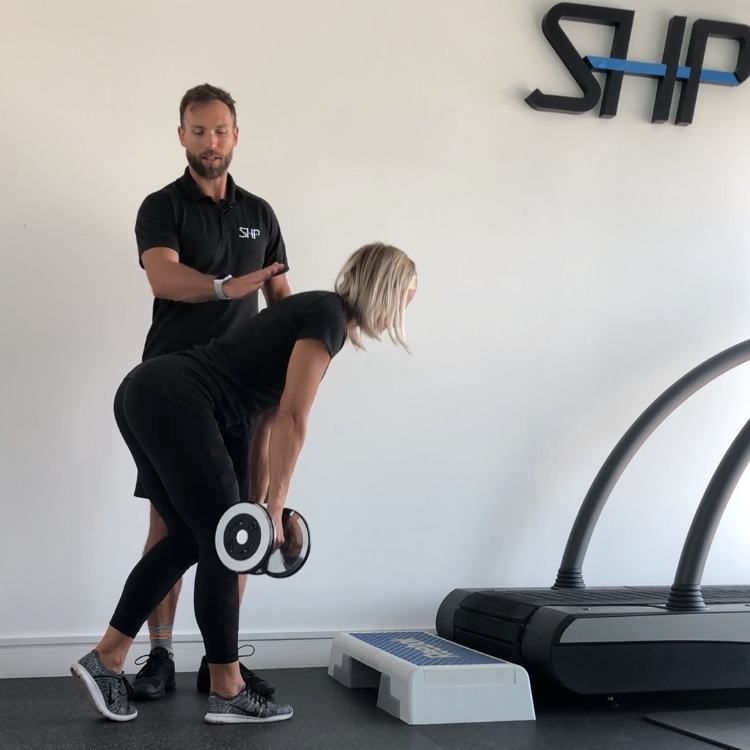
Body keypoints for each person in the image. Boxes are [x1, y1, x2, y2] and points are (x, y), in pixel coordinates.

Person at [70, 242, 418, 725]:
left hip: (144, 391)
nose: (405, 307)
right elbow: (294, 417)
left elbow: (267, 421)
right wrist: (273, 509)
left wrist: (258, 503)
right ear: (385, 289)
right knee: (222, 542)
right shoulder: (327, 317)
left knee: (187, 538)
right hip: (176, 397)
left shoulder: (316, 312)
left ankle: (107, 658)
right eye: (406, 295)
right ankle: (228, 689)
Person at [130, 82, 291, 701]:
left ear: (236, 135)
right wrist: (225, 287)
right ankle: (159, 655)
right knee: (170, 523)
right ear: (182, 135)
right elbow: (162, 277)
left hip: (242, 395)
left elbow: (280, 300)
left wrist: (299, 362)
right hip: (172, 389)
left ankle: (221, 662)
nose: (210, 142)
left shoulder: (261, 213)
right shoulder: (162, 206)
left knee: (240, 525)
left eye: (220, 130)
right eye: (198, 131)